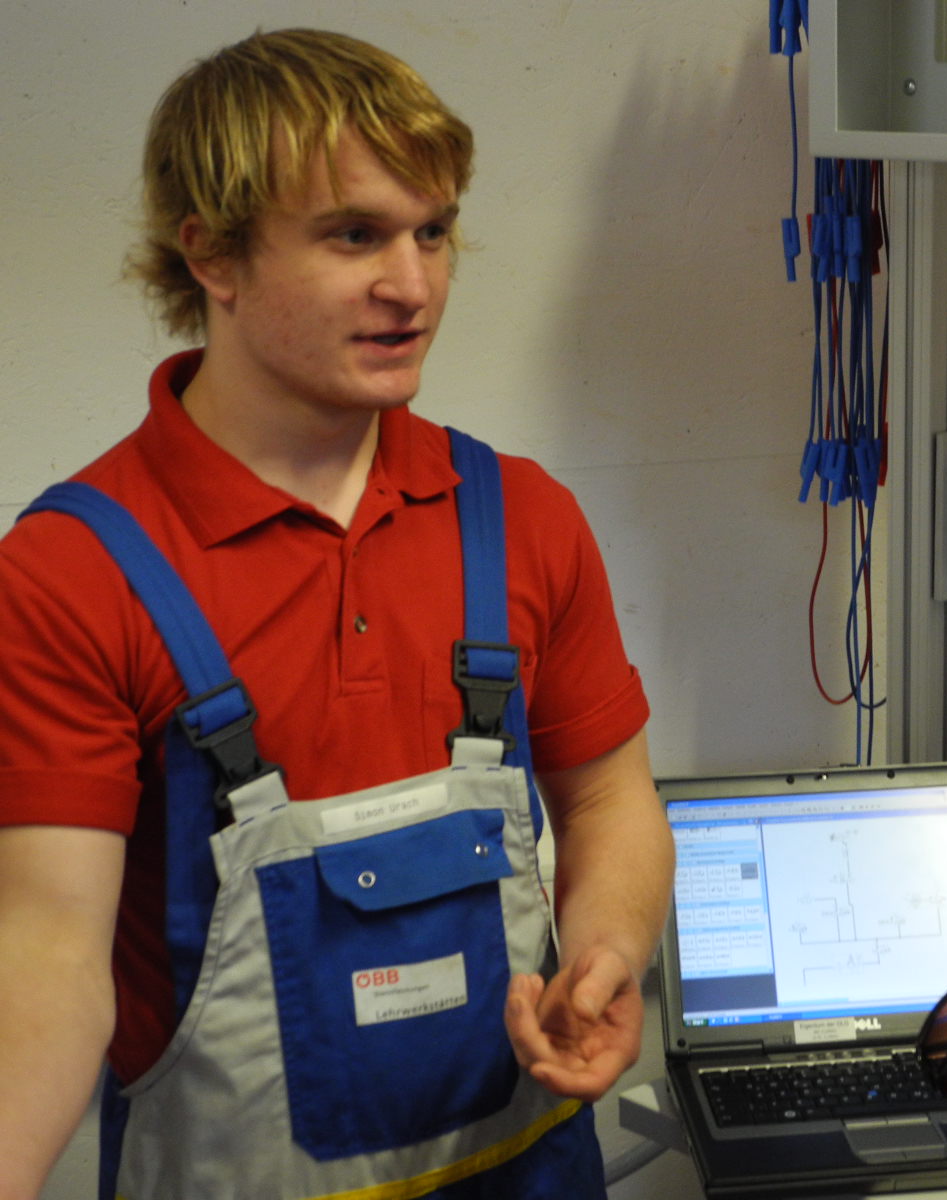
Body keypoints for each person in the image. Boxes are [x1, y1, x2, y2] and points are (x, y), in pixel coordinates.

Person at [0, 29, 674, 1200]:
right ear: (211, 253)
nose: (412, 286)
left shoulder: (521, 518)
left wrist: (607, 951)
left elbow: (610, 797)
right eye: (354, 234)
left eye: (433, 231)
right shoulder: (72, 573)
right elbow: (46, 953)